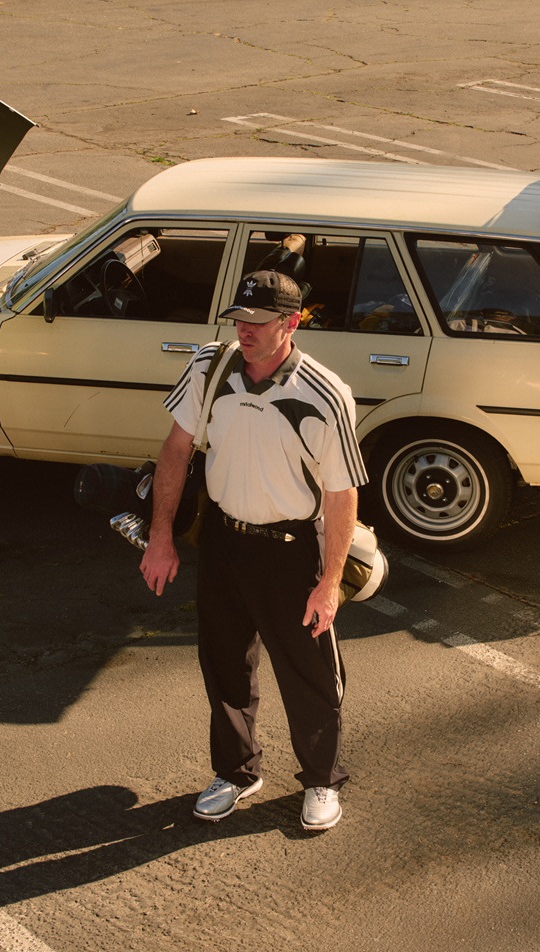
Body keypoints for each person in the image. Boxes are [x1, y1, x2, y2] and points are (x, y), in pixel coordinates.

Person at [140, 270, 367, 832]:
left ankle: (321, 780)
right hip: (222, 541)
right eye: (239, 320)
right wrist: (161, 537)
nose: (245, 331)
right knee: (223, 665)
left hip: (291, 552)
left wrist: (330, 582)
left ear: (291, 324)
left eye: (258, 322)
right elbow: (175, 450)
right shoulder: (208, 367)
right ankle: (236, 772)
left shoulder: (325, 393)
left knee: (309, 673)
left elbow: (342, 494)